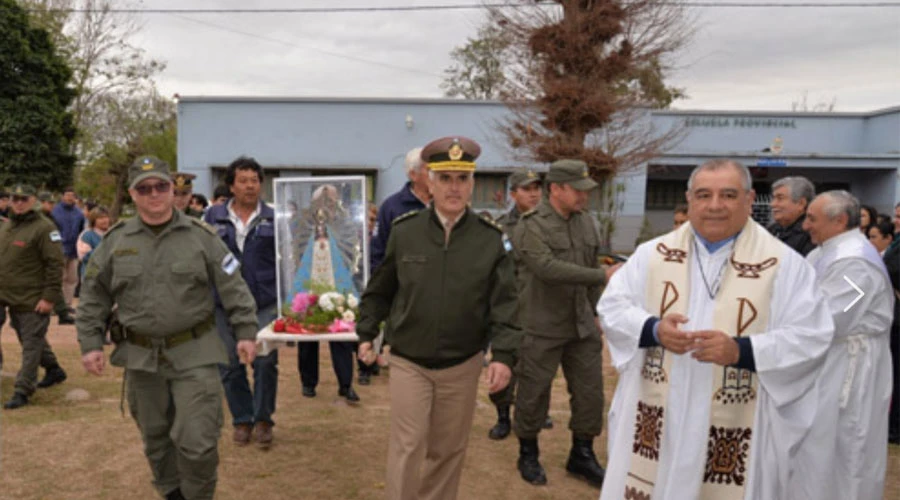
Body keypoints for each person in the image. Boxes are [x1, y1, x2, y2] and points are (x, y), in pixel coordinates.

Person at [597, 159, 834, 500]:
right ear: (689, 198)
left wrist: (742, 351)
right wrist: (653, 330)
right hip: (661, 412)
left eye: (728, 195)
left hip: (739, 418)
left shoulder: (784, 265)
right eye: (704, 195)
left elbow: (812, 336)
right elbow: (613, 307)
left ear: (749, 200)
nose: (714, 206)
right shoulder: (652, 255)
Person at [77, 156, 259, 500]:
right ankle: (172, 494)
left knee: (198, 440)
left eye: (161, 186)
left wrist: (246, 331)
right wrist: (90, 343)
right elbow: (93, 296)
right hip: (142, 357)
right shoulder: (116, 241)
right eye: (144, 189)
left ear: (171, 190)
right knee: (156, 438)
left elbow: (233, 286)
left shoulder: (201, 236)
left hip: (195, 353)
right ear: (133, 194)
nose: (154, 194)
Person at [356, 136, 521, 500]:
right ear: (428, 181)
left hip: (461, 363)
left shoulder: (490, 240)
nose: (454, 187)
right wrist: (367, 331)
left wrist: (504, 356)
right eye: (445, 178)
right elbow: (380, 290)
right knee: (408, 445)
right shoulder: (405, 231)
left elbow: (505, 305)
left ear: (473, 184)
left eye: (462, 179)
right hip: (408, 360)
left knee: (447, 451)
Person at [511, 159, 614, 487]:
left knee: (590, 394)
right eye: (577, 189)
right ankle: (528, 452)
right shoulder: (531, 225)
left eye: (587, 190)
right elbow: (546, 268)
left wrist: (600, 312)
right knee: (533, 394)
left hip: (581, 325)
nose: (584, 196)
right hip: (541, 324)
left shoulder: (588, 223)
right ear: (555, 189)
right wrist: (601, 275)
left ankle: (581, 454)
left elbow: (591, 273)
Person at [792, 190, 894, 500]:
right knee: (815, 446)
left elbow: (836, 317)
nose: (805, 225)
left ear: (838, 221)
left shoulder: (856, 264)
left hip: (850, 364)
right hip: (826, 359)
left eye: (812, 218)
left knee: (846, 446)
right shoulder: (824, 251)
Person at [204, 156, 280, 449]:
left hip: (264, 303)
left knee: (264, 361)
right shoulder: (212, 217)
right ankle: (242, 419)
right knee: (230, 364)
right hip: (224, 304)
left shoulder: (274, 217)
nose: (250, 186)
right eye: (243, 181)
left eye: (255, 180)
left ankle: (263, 420)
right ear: (232, 186)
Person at [487, 167, 545, 441]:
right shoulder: (501, 227)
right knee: (505, 359)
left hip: (541, 305)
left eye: (537, 189)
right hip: (510, 306)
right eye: (527, 189)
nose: (534, 194)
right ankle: (502, 417)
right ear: (513, 194)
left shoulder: (548, 223)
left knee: (538, 363)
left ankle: (535, 411)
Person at [292, 183, 363, 403]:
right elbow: (296, 243)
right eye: (322, 201)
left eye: (330, 200)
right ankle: (308, 382)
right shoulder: (304, 220)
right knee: (307, 333)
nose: (326, 205)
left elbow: (353, 244)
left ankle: (345, 384)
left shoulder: (345, 220)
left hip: (338, 281)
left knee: (340, 333)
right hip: (309, 280)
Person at [0, 184, 68, 409]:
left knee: (30, 344)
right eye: (15, 198)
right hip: (8, 294)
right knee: (31, 338)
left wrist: (49, 298)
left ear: (34, 200)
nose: (19, 203)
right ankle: (54, 369)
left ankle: (23, 390)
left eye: (24, 199)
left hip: (32, 298)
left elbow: (55, 264)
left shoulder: (44, 228)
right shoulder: (7, 226)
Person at [38, 191, 76, 324]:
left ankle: (63, 313)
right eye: (49, 203)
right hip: (37, 257)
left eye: (52, 203)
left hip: (49, 255)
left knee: (54, 284)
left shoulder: (50, 217)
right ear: (41, 203)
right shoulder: (37, 218)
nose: (51, 206)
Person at [51, 186, 85, 316]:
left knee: (72, 278)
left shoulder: (78, 213)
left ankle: (67, 304)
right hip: (59, 248)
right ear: (63, 196)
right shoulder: (56, 211)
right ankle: (55, 305)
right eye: (67, 195)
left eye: (72, 195)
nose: (70, 198)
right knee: (59, 277)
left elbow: (81, 230)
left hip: (74, 250)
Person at [767, 175, 816, 256]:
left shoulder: (811, 234)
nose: (772, 204)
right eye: (773, 198)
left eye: (780, 198)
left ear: (801, 203)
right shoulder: (773, 230)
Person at [76, 206, 111, 279]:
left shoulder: (112, 233)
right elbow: (84, 257)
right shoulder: (87, 235)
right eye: (101, 218)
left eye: (106, 217)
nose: (105, 220)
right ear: (93, 220)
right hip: (92, 276)